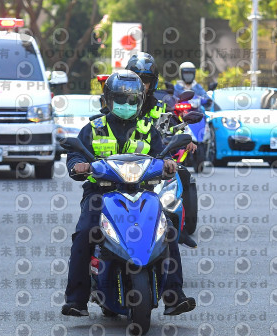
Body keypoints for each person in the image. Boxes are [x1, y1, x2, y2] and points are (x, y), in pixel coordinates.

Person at [62, 70, 196, 317]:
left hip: (142, 192)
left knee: (168, 232)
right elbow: (76, 154)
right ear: (108, 100)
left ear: (140, 101)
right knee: (84, 233)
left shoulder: (147, 129)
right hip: (100, 194)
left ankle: (174, 296)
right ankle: (76, 300)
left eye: (132, 100)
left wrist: (168, 162)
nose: (126, 104)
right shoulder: (94, 128)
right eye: (120, 99)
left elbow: (163, 153)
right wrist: (77, 165)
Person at [126, 52, 198, 248]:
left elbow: (174, 124)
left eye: (145, 80)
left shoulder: (159, 107)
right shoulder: (118, 103)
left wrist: (186, 138)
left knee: (180, 174)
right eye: (136, 78)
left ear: (153, 83)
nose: (141, 84)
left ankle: (181, 226)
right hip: (120, 163)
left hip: (153, 161)